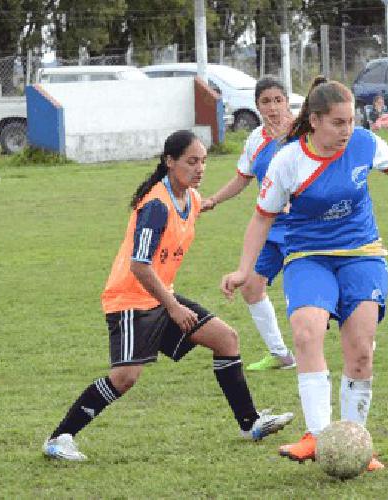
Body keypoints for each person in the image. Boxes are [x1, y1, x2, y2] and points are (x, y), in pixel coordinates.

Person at [221, 76, 388, 472]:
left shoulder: (363, 143)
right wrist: (243, 269)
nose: (347, 130)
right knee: (305, 332)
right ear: (315, 121)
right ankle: (318, 436)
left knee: (360, 352)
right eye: (338, 122)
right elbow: (261, 217)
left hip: (362, 254)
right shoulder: (288, 160)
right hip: (308, 255)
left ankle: (354, 443)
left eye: (351, 120)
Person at [42, 130, 294, 461]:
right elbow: (139, 266)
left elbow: (203, 204)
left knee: (225, 339)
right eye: (191, 162)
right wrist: (174, 308)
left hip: (160, 297)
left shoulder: (189, 197)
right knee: (125, 377)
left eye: (203, 161)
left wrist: (272, 202)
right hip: (131, 300)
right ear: (170, 162)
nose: (200, 168)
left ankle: (250, 423)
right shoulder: (156, 207)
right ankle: (59, 437)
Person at [201, 77, 298, 372]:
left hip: (304, 226)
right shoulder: (256, 139)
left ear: (287, 102)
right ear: (257, 106)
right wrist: (213, 200)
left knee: (309, 289)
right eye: (265, 102)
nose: (272, 108)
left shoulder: (304, 134)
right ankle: (280, 354)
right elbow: (242, 178)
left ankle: (358, 333)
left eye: (278, 100)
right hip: (270, 227)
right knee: (251, 287)